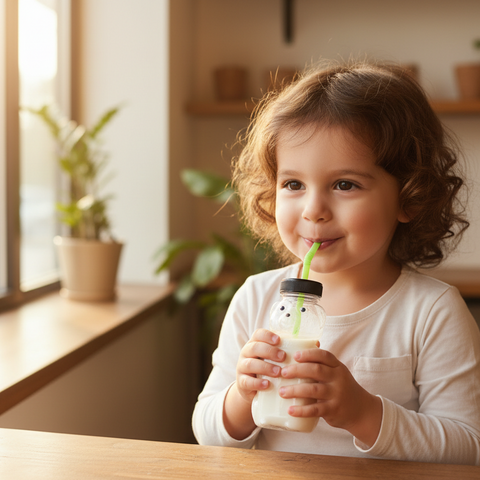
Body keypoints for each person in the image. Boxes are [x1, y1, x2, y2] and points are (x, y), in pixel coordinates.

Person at [191, 60, 480, 464]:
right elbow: (207, 431)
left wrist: (363, 413)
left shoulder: (432, 313)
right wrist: (242, 395)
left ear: (409, 197)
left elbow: (468, 448)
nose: (313, 210)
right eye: (293, 184)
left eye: (345, 184)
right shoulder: (256, 298)